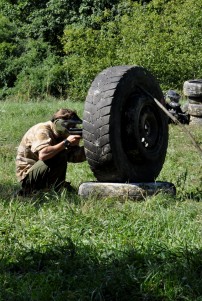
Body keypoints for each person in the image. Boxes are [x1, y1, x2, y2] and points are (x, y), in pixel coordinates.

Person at [16, 108, 86, 196]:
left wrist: (92, 148)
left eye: (74, 125)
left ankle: (53, 187)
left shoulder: (61, 134)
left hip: (42, 172)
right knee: (59, 154)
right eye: (70, 125)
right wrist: (66, 142)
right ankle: (31, 190)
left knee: (71, 192)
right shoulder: (42, 130)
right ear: (58, 123)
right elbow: (43, 155)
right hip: (28, 177)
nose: (73, 128)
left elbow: (74, 156)